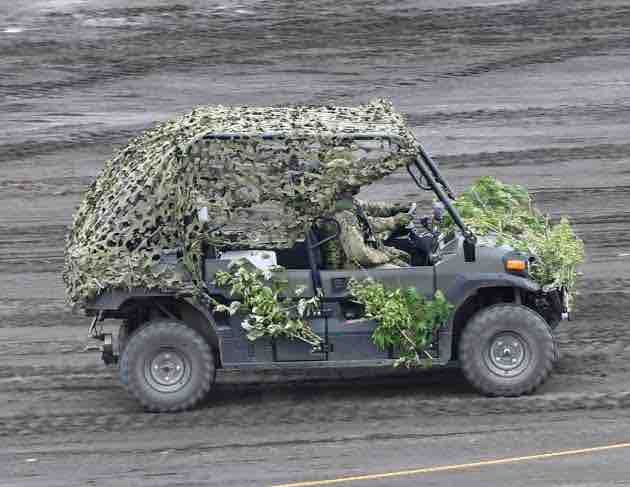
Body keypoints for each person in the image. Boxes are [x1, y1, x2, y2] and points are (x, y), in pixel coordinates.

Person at [321, 188, 413, 269]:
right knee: (403, 272)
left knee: (406, 260)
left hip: (361, 258)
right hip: (351, 268)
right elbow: (360, 255)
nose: (359, 185)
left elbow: (366, 207)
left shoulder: (342, 202)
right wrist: (386, 255)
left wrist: (394, 209)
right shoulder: (341, 213)